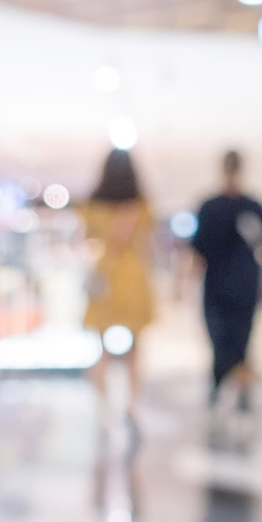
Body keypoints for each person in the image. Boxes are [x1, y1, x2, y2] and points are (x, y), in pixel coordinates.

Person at [190, 150, 262, 413]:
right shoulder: (210, 207)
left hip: (244, 288)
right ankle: (221, 388)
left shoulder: (253, 208)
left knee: (241, 345)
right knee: (220, 342)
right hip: (217, 288)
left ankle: (241, 394)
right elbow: (198, 252)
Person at [81, 149, 155, 416]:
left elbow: (88, 236)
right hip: (133, 278)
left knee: (100, 347)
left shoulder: (93, 205)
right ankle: (131, 405)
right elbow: (148, 238)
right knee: (135, 347)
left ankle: (102, 406)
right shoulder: (141, 205)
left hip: (106, 277)